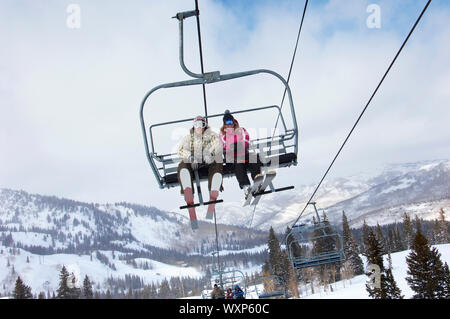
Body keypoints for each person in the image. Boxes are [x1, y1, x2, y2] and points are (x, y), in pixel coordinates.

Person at [177, 116, 223, 229]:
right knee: (183, 165)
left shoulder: (211, 136)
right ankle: (188, 191)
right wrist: (190, 157)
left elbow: (218, 145)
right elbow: (181, 150)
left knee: (217, 161)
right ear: (194, 126)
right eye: (196, 125)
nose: (199, 128)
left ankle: (214, 188)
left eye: (201, 125)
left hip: (207, 161)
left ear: (205, 126)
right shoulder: (188, 138)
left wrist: (210, 153)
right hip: (194, 161)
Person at [219, 110, 263, 198]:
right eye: (227, 122)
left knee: (253, 157)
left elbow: (246, 139)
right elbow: (221, 146)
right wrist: (230, 149)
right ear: (224, 123)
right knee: (238, 163)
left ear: (233, 121)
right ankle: (246, 186)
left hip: (243, 153)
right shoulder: (222, 135)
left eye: (230, 121)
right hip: (231, 158)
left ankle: (256, 180)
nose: (229, 124)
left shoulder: (241, 130)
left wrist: (241, 146)